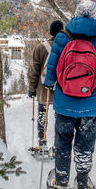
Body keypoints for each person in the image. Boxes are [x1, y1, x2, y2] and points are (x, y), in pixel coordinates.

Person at [43, 0, 96, 189]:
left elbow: (50, 73)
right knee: (85, 145)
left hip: (65, 103)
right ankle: (83, 185)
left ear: (75, 14)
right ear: (94, 15)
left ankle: (61, 183)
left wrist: (50, 84)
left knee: (63, 142)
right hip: (92, 106)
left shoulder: (62, 37)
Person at [27, 20, 64, 150]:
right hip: (62, 89)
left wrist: (32, 88)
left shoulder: (40, 47)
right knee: (60, 118)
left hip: (44, 89)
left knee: (42, 114)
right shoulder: (67, 46)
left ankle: (42, 143)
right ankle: (57, 146)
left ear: (51, 32)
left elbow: (34, 70)